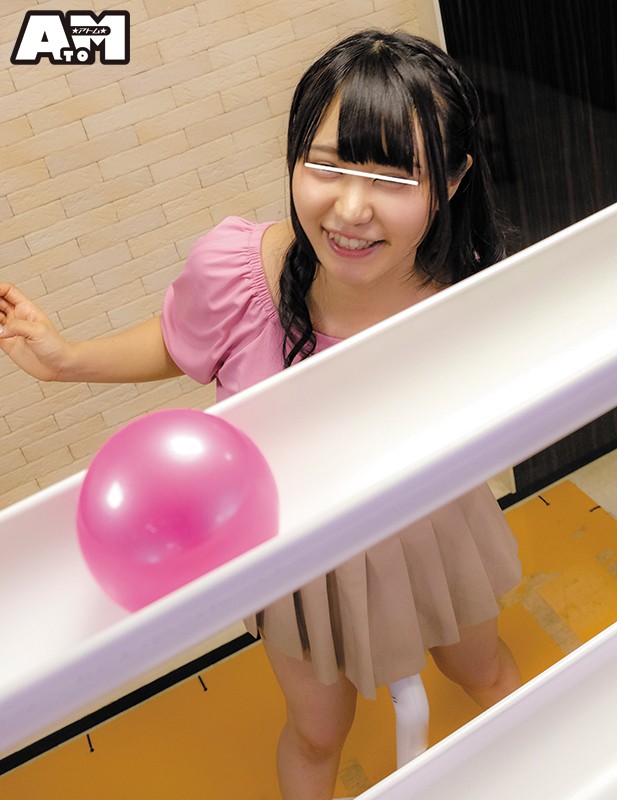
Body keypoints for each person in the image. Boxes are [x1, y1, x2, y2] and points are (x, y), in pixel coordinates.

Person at [0, 29, 521, 800]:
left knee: (484, 672)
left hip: (432, 531)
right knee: (316, 732)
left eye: (392, 176)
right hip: (293, 566)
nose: (350, 208)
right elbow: (179, 340)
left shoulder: (472, 299)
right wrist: (67, 360)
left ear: (452, 178)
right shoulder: (237, 273)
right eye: (327, 165)